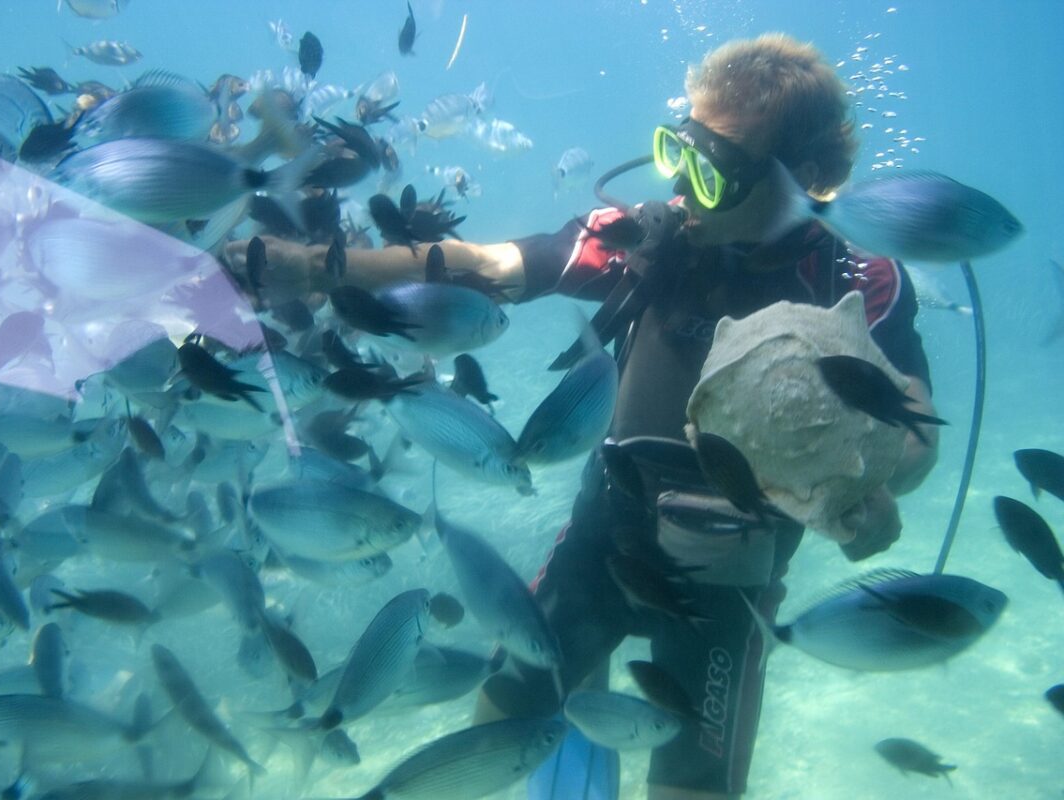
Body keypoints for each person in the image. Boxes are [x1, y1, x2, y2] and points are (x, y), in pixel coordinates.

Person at [229, 33, 938, 800]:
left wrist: (873, 486)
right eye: (677, 152)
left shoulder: (853, 278)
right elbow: (492, 264)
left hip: (729, 591)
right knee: (490, 740)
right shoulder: (651, 240)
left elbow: (915, 432)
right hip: (600, 549)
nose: (685, 186)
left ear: (807, 178)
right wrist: (321, 267)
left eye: (713, 170)